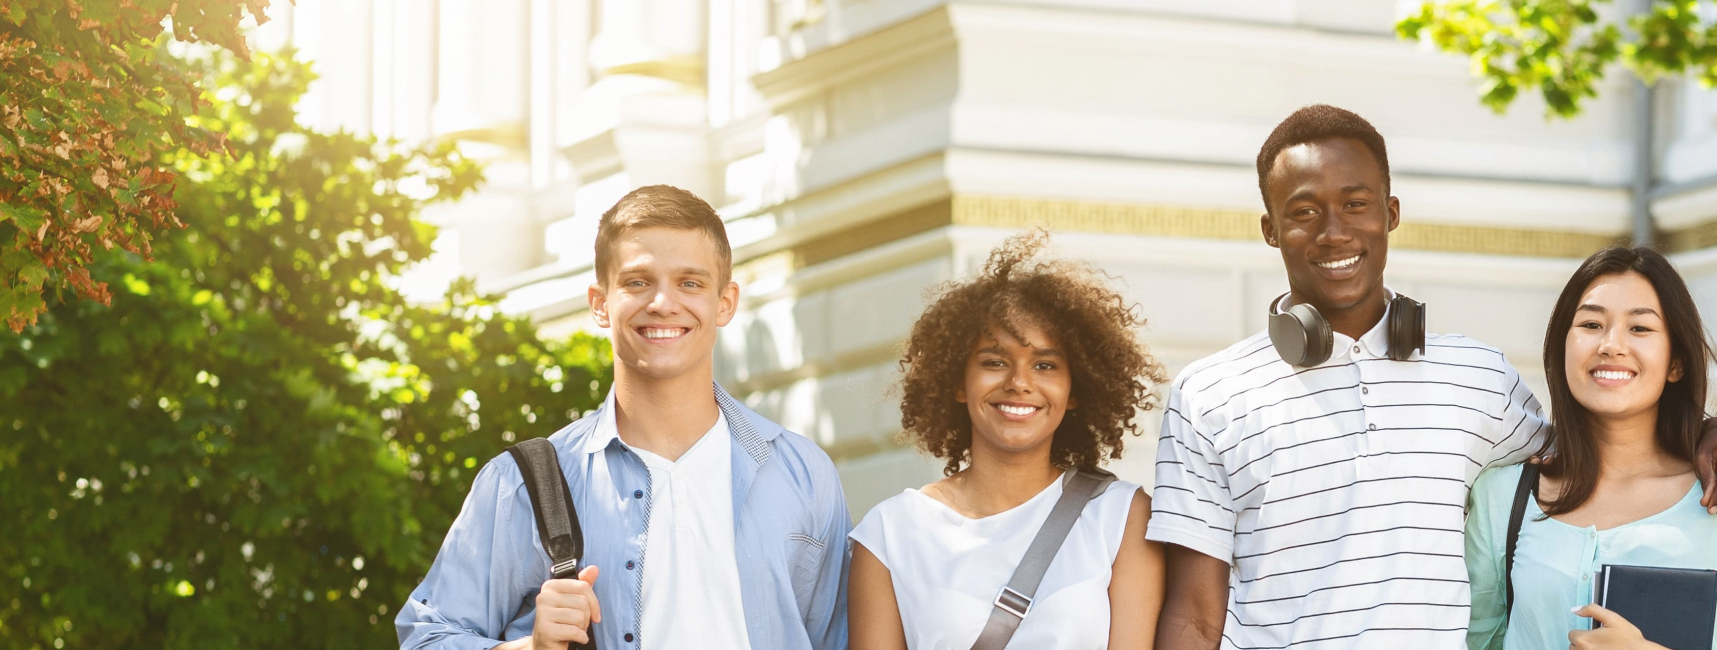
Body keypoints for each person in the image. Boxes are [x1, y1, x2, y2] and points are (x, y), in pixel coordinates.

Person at [1147, 104, 1717, 650]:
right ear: (1270, 229)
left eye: (1356, 204)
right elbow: (1194, 617)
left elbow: (1603, 445)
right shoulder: (1209, 395)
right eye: (1304, 211)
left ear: (1390, 212)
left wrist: (1709, 430)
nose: (1334, 231)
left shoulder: (1475, 376)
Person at [397, 185, 851, 650]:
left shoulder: (803, 474)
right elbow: (424, 638)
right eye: (637, 282)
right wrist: (528, 648)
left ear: (725, 302)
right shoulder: (521, 484)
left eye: (690, 283)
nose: (662, 303)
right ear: (600, 303)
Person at [1465, 246, 1717, 650]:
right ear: (1563, 347)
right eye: (1591, 324)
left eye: (1640, 329)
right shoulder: (1503, 495)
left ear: (1676, 362)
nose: (1611, 345)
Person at [846, 230, 1168, 650]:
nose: (1019, 383)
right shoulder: (890, 533)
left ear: (1074, 392)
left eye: (1046, 365)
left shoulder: (1121, 517)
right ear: (959, 382)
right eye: (994, 361)